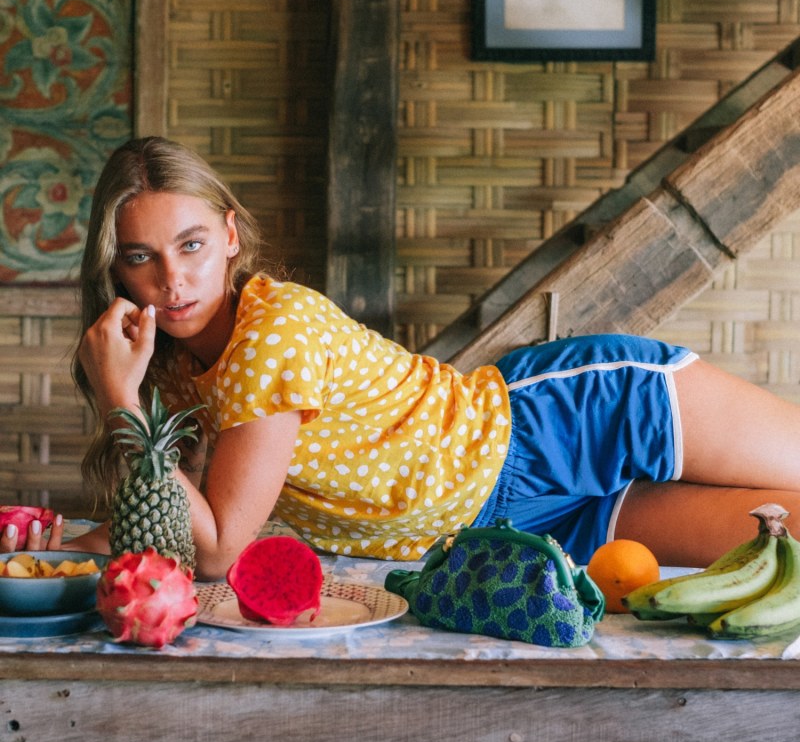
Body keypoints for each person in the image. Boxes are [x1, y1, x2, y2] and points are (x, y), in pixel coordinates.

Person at [7, 135, 800, 581]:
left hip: (564, 423)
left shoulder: (267, 334)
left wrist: (121, 396)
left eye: (191, 245)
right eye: (142, 257)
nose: (172, 279)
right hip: (505, 533)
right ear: (114, 270)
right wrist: (55, 547)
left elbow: (216, 551)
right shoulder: (173, 363)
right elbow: (178, 524)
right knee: (784, 536)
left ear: (231, 237)